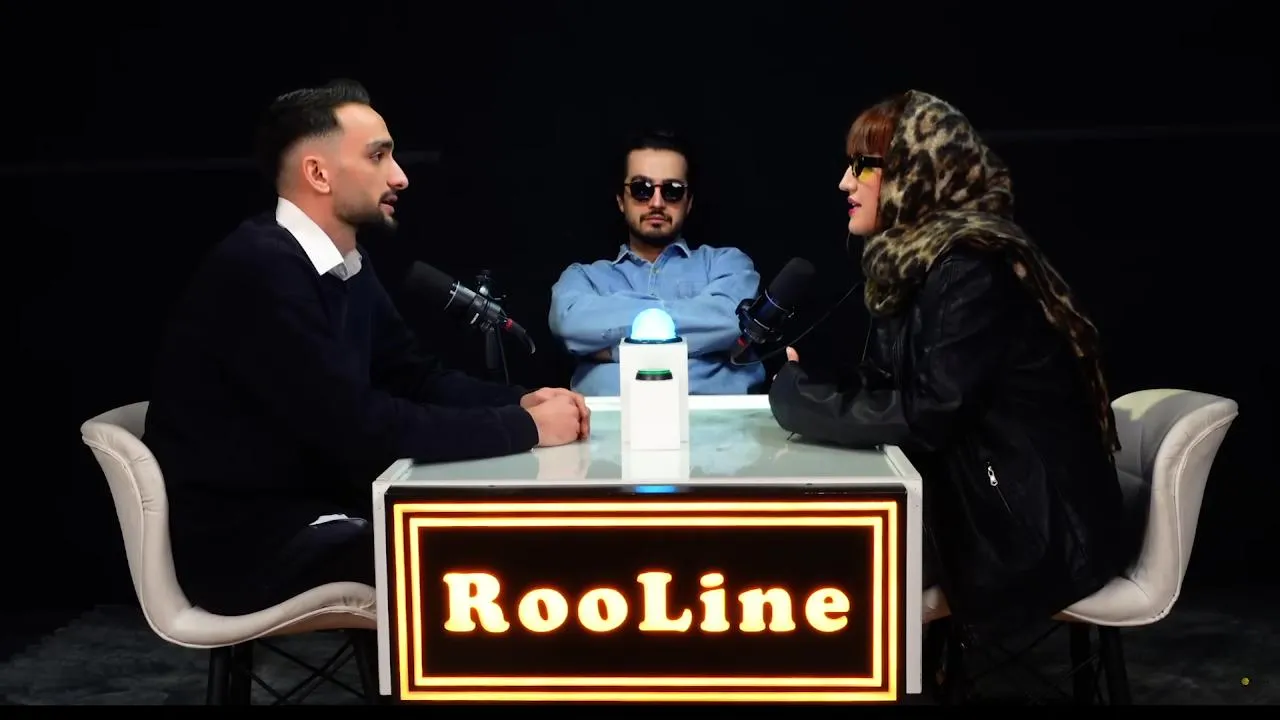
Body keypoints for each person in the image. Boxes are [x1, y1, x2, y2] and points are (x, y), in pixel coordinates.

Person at [142, 79, 590, 616]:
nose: (399, 176)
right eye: (378, 156)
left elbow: (413, 377)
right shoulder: (260, 269)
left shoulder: (346, 265)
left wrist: (521, 402)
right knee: (481, 555)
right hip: (250, 545)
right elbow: (359, 429)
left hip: (322, 507)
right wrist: (524, 428)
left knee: (512, 530)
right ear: (318, 173)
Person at [768, 90, 1134, 638]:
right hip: (989, 507)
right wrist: (815, 377)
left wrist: (799, 402)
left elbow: (929, 414)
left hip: (1032, 535)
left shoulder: (969, 266)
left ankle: (900, 678)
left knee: (826, 565)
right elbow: (899, 380)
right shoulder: (918, 261)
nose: (845, 183)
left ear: (917, 172)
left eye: (863, 165)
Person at [548, 130, 766, 396]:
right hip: (606, 420)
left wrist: (614, 349)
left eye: (673, 190)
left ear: (688, 202)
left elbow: (732, 323)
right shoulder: (583, 277)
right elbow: (570, 325)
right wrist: (705, 339)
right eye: (642, 189)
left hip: (718, 418)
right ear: (621, 200)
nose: (657, 202)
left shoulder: (729, 264)